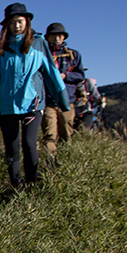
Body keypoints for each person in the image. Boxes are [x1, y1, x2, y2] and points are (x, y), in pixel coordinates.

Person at [0, 2, 68, 188]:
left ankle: (31, 182)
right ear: (7, 26)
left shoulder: (39, 44)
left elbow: (51, 72)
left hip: (32, 105)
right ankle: (15, 185)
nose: (16, 26)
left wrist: (63, 100)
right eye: (12, 23)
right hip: (6, 105)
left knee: (29, 144)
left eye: (19, 21)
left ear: (27, 22)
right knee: (12, 148)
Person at [41, 23, 86, 161]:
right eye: (54, 35)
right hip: (47, 100)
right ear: (48, 37)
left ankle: (65, 161)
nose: (57, 38)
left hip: (67, 101)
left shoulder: (73, 55)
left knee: (66, 133)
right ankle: (50, 162)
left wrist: (65, 76)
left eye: (60, 35)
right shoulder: (42, 54)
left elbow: (80, 76)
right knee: (50, 134)